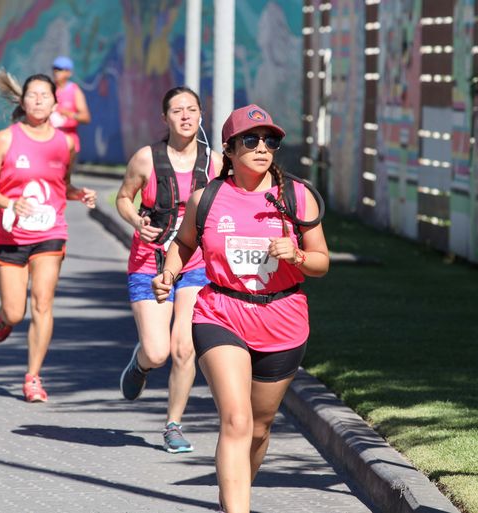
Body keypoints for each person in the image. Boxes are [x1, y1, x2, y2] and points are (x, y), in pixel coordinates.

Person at [152, 104, 329, 512]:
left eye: (271, 140)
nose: (262, 147)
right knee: (236, 420)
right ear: (229, 150)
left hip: (283, 320)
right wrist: (170, 272)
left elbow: (322, 262)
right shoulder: (208, 198)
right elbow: (183, 243)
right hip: (221, 314)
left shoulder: (297, 197)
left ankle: (234, 494)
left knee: (259, 426)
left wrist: (297, 255)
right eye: (251, 140)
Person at [0, 70, 97, 403]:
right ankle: (4, 319)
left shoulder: (65, 143)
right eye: (32, 94)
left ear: (56, 102)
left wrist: (78, 194)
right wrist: (9, 202)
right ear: (22, 100)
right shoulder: (6, 139)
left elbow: (61, 185)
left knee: (43, 303)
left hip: (50, 232)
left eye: (46, 95)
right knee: (16, 312)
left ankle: (33, 377)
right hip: (9, 233)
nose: (39, 100)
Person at [116, 86, 222, 453]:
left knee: (183, 348)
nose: (185, 116)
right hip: (149, 263)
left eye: (192, 109)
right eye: (177, 110)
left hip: (194, 265)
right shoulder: (146, 159)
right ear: (165, 118)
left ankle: (173, 425)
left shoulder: (216, 164)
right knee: (158, 351)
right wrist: (135, 220)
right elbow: (123, 197)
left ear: (201, 116)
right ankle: (141, 363)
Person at [50, 56, 90, 166]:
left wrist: (68, 114)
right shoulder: (49, 89)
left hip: (69, 143)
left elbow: (86, 117)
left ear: (69, 73)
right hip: (49, 141)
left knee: (64, 180)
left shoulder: (74, 91)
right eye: (55, 69)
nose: (56, 72)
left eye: (60, 69)